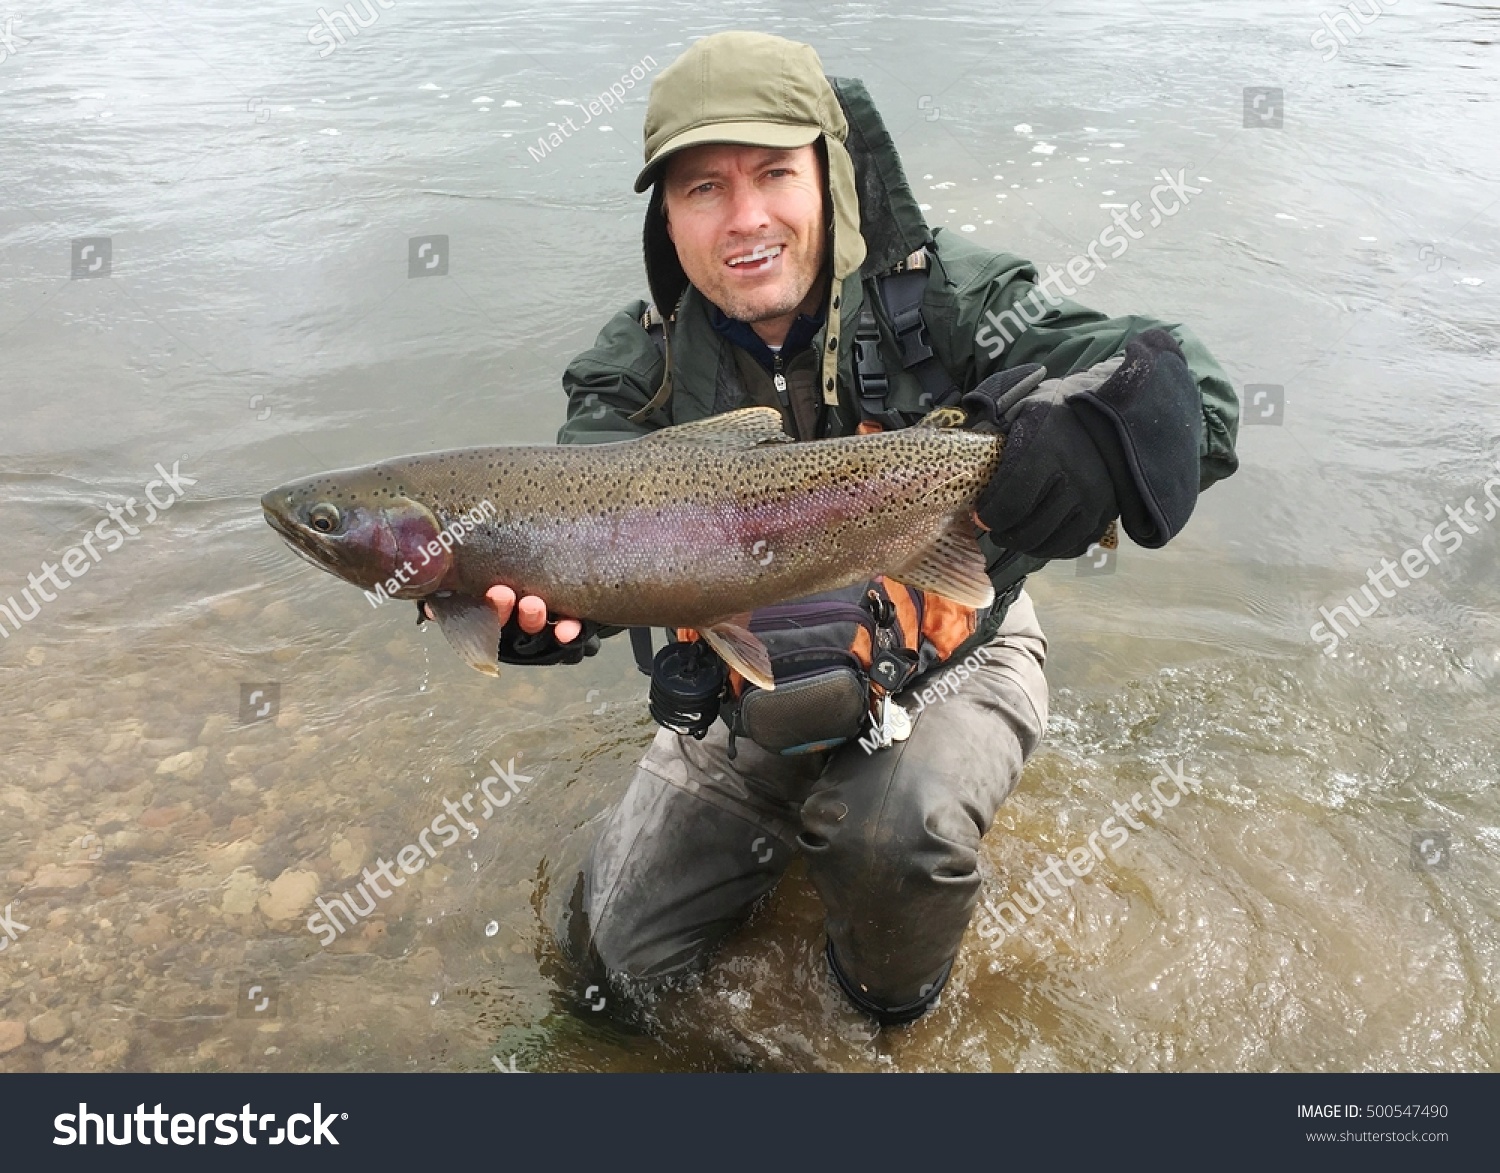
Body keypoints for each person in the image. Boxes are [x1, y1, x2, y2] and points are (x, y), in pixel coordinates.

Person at [481, 31, 1240, 1025]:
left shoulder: (955, 298)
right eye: (703, 188)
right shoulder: (633, 369)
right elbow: (578, 512)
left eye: (773, 174)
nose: (745, 218)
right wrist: (549, 614)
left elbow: (1195, 391)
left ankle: (885, 1021)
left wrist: (1097, 433)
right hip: (748, 684)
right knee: (610, 965)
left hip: (952, 650)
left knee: (892, 839)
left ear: (828, 177)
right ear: (667, 216)